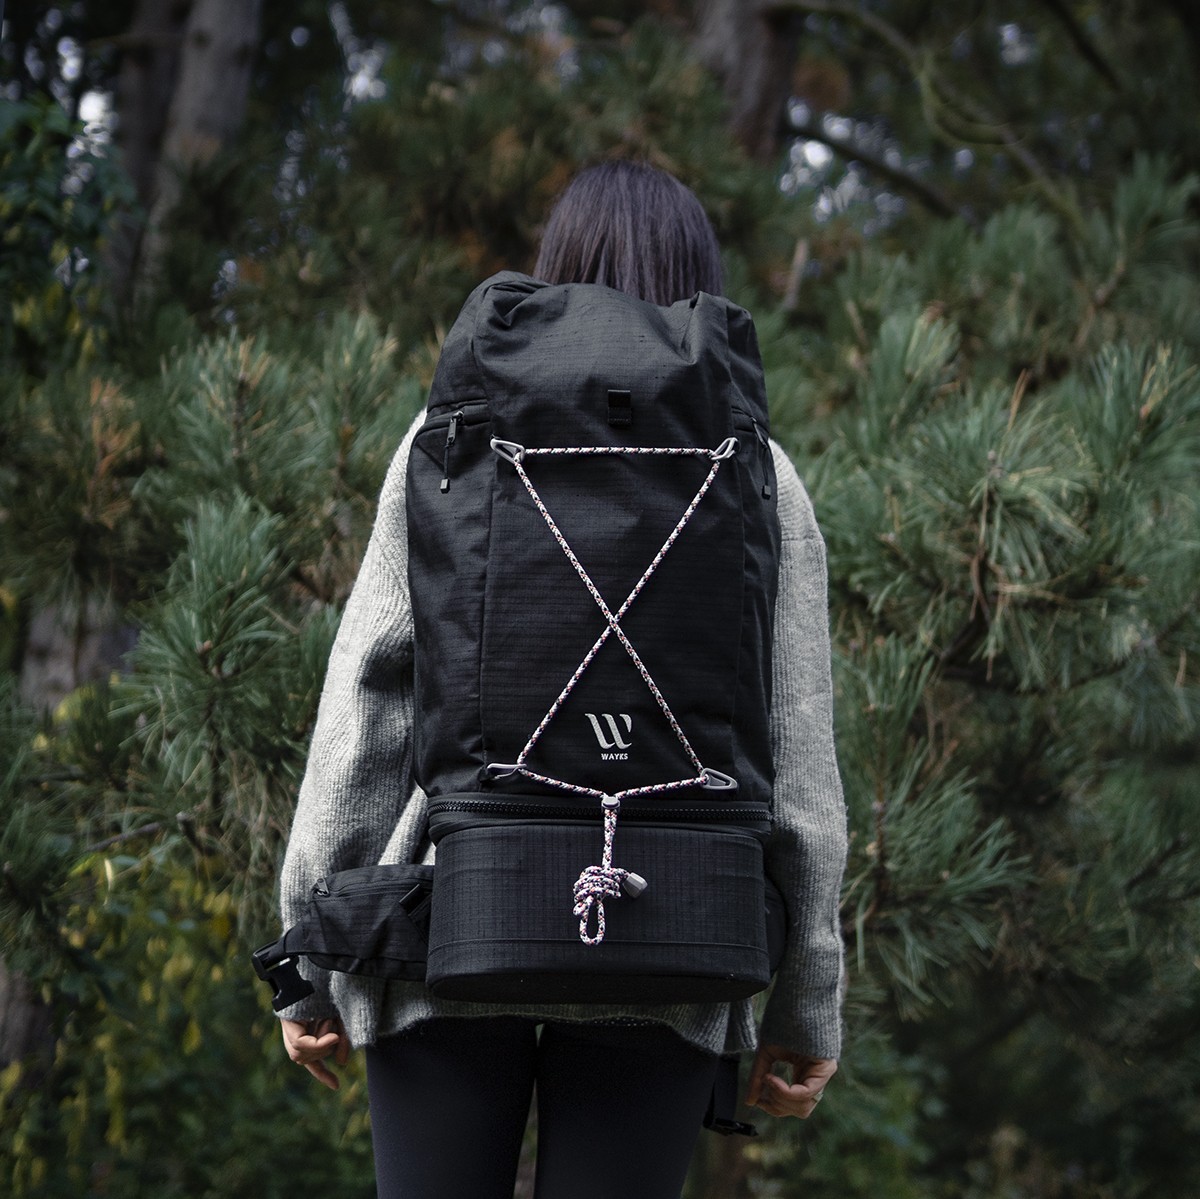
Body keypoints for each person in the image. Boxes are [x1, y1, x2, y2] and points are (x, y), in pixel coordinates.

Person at [276, 160, 847, 1199]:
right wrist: (807, 1003)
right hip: (672, 935)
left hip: (445, 916)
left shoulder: (449, 440)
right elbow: (800, 763)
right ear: (695, 280)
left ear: (556, 267)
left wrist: (307, 954)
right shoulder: (759, 469)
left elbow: (364, 701)